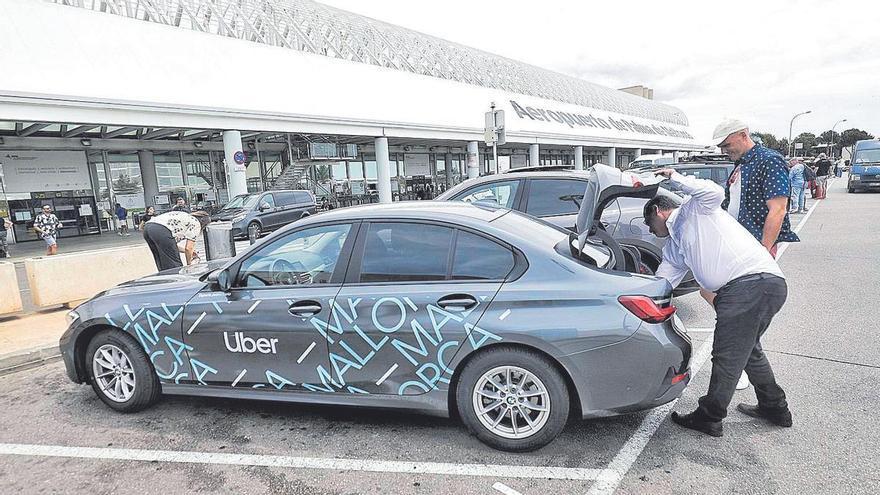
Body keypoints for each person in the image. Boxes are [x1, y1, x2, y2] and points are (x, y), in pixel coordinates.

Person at [644, 169, 792, 437]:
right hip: (753, 288)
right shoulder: (675, 245)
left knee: (726, 355)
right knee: (748, 351)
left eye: (648, 223)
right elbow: (665, 280)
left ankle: (709, 416)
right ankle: (775, 407)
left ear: (658, 211)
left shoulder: (693, 209)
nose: (649, 230)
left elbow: (713, 191)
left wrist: (675, 176)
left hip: (749, 284)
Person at [714, 119, 799, 390]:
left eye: (728, 144)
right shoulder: (742, 164)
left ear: (743, 134)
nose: (725, 150)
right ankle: (743, 364)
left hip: (753, 250)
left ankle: (737, 365)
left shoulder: (768, 160)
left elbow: (778, 209)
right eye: (722, 147)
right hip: (738, 246)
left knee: (742, 313)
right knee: (733, 308)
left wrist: (762, 252)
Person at [143, 210, 211, 270]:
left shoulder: (184, 217)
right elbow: (189, 248)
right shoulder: (196, 223)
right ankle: (176, 283)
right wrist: (189, 265)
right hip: (161, 229)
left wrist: (185, 250)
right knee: (175, 266)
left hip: (147, 228)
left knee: (161, 262)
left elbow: (171, 245)